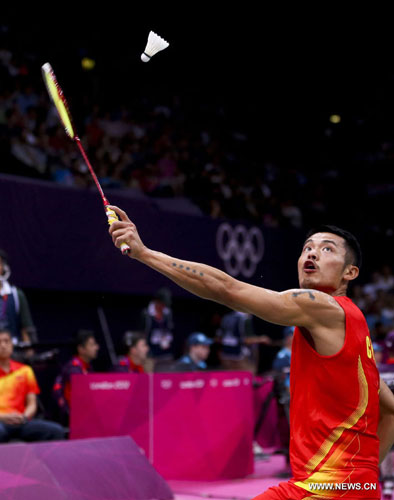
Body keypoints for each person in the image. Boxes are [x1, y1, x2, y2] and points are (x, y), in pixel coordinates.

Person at [109, 210, 394, 499]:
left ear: (350, 272)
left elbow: (226, 289)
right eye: (307, 247)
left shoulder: (323, 307)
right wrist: (361, 478)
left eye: (327, 249)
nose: (313, 254)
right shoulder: (358, 329)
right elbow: (390, 409)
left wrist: (144, 253)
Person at [0, 328, 65, 442]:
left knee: (56, 431)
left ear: (12, 344)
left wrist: (24, 417)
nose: (3, 345)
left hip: (21, 421)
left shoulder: (25, 370)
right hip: (1, 421)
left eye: (6, 341)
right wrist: (4, 417)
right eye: (0, 342)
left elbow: (32, 404)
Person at [53, 330, 99, 423]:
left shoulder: (87, 367)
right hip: (73, 419)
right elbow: (84, 398)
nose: (97, 347)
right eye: (92, 345)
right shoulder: (73, 369)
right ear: (81, 349)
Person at [0, 248, 36, 344]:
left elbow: (26, 327)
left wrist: (29, 352)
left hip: (12, 349)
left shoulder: (16, 294)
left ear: (4, 267)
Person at [141, 287, 174, 371]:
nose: (163, 307)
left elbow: (171, 330)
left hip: (166, 355)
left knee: (167, 381)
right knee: (150, 381)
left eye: (165, 305)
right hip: (151, 357)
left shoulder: (168, 313)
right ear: (157, 301)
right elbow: (142, 334)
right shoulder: (146, 314)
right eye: (162, 304)